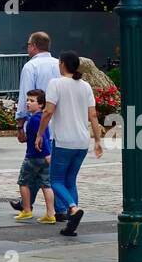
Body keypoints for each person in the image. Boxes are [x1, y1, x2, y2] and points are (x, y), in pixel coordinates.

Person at [35, 50, 103, 237]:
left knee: (55, 180)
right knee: (70, 180)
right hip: (82, 141)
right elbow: (93, 115)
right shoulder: (85, 86)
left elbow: (48, 112)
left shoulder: (55, 84)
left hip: (63, 140)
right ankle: (71, 223)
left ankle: (72, 208)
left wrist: (40, 134)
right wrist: (97, 140)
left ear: (63, 64)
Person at [11, 32, 60, 209]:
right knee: (49, 167)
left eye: (28, 45)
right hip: (57, 123)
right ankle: (54, 206)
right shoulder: (58, 64)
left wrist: (20, 124)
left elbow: (26, 96)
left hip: (37, 123)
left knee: (31, 163)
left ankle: (27, 203)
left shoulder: (31, 66)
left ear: (33, 46)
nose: (27, 48)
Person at [13, 89, 56, 224]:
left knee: (23, 182)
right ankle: (50, 213)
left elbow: (42, 137)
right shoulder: (41, 118)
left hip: (33, 156)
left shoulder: (34, 120)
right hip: (44, 157)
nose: (28, 103)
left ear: (41, 104)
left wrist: (47, 153)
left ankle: (26, 209)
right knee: (46, 184)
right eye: (27, 100)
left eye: (32, 101)